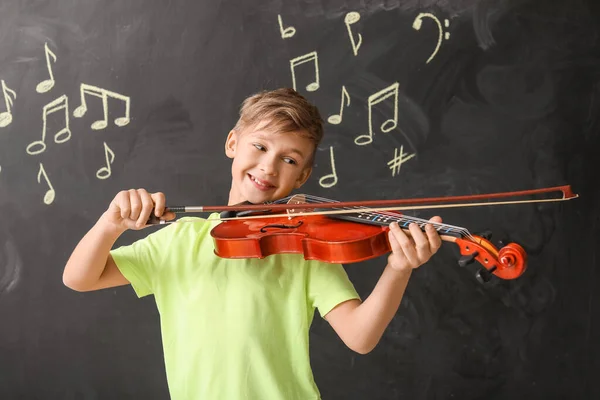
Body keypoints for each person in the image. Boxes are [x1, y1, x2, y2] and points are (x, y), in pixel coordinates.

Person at [63, 88, 442, 399]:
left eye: (289, 160)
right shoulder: (178, 240)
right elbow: (80, 278)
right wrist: (110, 224)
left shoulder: (303, 248)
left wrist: (398, 268)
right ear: (233, 142)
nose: (268, 167)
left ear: (303, 177)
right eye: (259, 147)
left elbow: (360, 338)